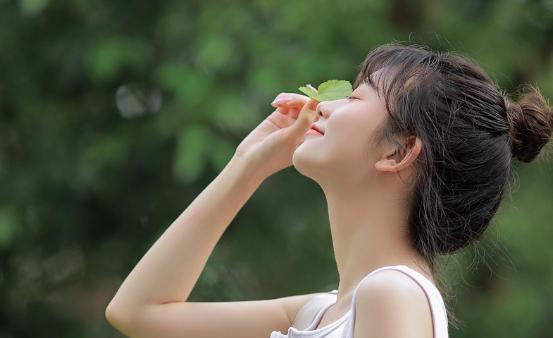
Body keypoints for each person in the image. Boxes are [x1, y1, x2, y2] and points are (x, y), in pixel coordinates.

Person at [104, 43, 553, 338]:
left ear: (399, 152)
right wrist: (247, 167)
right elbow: (139, 312)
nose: (325, 106)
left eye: (357, 98)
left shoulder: (391, 293)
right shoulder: (322, 313)